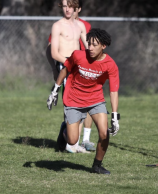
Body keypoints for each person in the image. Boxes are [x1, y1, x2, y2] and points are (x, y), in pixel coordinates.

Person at [47, 28, 120, 174]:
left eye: (95, 45)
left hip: (95, 99)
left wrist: (115, 116)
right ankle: (64, 131)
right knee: (72, 141)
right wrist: (55, 90)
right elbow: (65, 70)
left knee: (104, 134)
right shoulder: (78, 55)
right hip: (74, 99)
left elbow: (113, 91)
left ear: (103, 46)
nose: (90, 48)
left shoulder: (110, 64)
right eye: (89, 44)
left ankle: (97, 165)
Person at [46, 0, 94, 153]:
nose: (68, 9)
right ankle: (70, 143)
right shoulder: (57, 26)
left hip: (78, 67)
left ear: (76, 8)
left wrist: (96, 62)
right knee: (71, 103)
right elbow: (53, 53)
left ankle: (72, 141)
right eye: (65, 6)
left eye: (71, 6)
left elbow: (88, 49)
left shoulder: (80, 26)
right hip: (65, 65)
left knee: (83, 103)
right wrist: (67, 64)